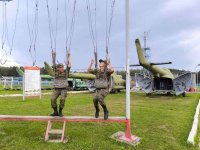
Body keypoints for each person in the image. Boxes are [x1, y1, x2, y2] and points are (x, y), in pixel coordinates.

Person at [50, 51, 71, 117]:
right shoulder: (55, 72)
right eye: (61, 67)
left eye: (63, 67)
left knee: (62, 99)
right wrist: (54, 55)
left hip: (63, 89)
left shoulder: (66, 72)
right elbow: (53, 63)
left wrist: (68, 56)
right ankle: (55, 111)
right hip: (56, 89)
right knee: (52, 99)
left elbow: (69, 65)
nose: (62, 68)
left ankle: (60, 111)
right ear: (58, 68)